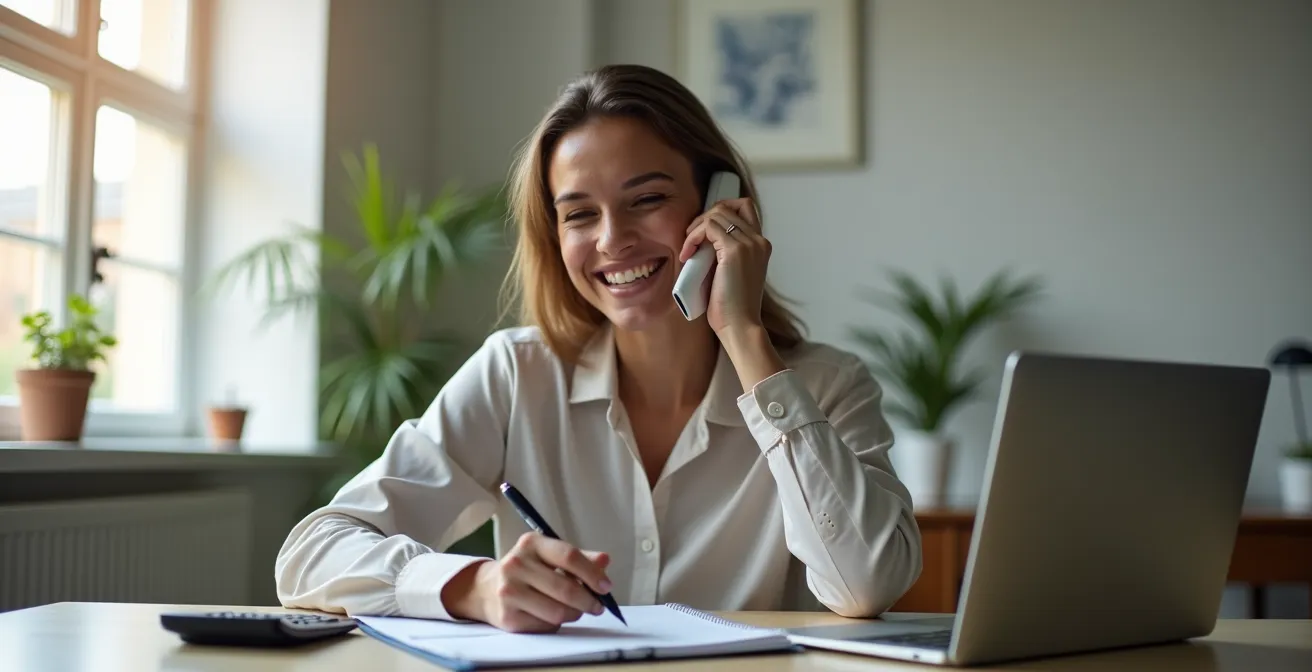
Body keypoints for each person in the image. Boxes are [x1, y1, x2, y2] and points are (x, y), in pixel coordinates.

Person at [274, 63, 922, 633]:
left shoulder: (829, 386)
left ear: (721, 206)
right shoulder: (516, 375)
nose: (613, 241)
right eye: (580, 214)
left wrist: (746, 339)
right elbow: (312, 552)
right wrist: (473, 587)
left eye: (647, 200)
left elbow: (866, 585)